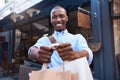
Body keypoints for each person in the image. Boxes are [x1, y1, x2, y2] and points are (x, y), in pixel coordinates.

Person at [28, 6, 93, 68]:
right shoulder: (45, 40)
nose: (58, 20)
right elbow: (32, 50)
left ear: (67, 18)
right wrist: (37, 54)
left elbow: (88, 53)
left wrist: (75, 55)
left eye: (62, 16)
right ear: (51, 20)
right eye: (54, 17)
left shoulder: (78, 38)